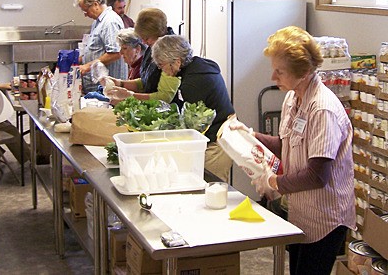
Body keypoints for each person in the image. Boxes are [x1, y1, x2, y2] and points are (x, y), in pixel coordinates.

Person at [231, 26, 356, 275]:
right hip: (301, 212)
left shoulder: (322, 109)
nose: (273, 77)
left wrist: (273, 182)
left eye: (280, 71)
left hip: (325, 218)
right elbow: (286, 145)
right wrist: (251, 136)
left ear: (304, 72)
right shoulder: (292, 98)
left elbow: (316, 175)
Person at [151, 35, 235, 182]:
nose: (162, 70)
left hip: (216, 143)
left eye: (162, 65)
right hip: (224, 136)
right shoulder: (200, 66)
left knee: (211, 187)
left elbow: (190, 123)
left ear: (176, 62)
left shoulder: (193, 83)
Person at [105, 8, 179, 103]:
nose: (144, 42)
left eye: (146, 38)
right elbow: (147, 81)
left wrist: (130, 96)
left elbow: (165, 97)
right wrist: (120, 83)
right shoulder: (153, 45)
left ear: (158, 33)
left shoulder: (171, 51)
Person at [75, 0, 128, 94]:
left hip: (108, 86)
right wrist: (81, 59)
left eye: (86, 11)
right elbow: (96, 48)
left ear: (95, 4)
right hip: (97, 85)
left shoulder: (110, 22)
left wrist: (88, 66)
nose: (85, 14)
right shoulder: (98, 21)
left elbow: (115, 53)